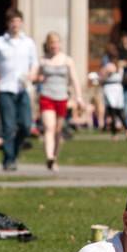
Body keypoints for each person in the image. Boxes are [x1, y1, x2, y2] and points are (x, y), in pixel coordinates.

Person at [0, 8, 38, 171]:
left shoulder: (28, 43)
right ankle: (9, 159)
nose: (15, 24)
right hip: (5, 88)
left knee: (25, 125)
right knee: (8, 126)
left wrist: (31, 75)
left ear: (21, 23)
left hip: (23, 89)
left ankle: (14, 151)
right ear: (8, 23)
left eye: (18, 21)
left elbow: (35, 63)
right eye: (12, 21)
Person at [36, 32, 81, 171]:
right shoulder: (43, 61)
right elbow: (36, 76)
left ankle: (54, 158)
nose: (54, 45)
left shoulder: (67, 60)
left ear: (60, 44)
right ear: (48, 45)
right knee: (49, 127)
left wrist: (78, 96)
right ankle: (49, 156)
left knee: (58, 130)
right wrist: (36, 78)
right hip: (47, 96)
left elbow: (74, 79)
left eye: (56, 42)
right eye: (52, 43)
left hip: (62, 97)